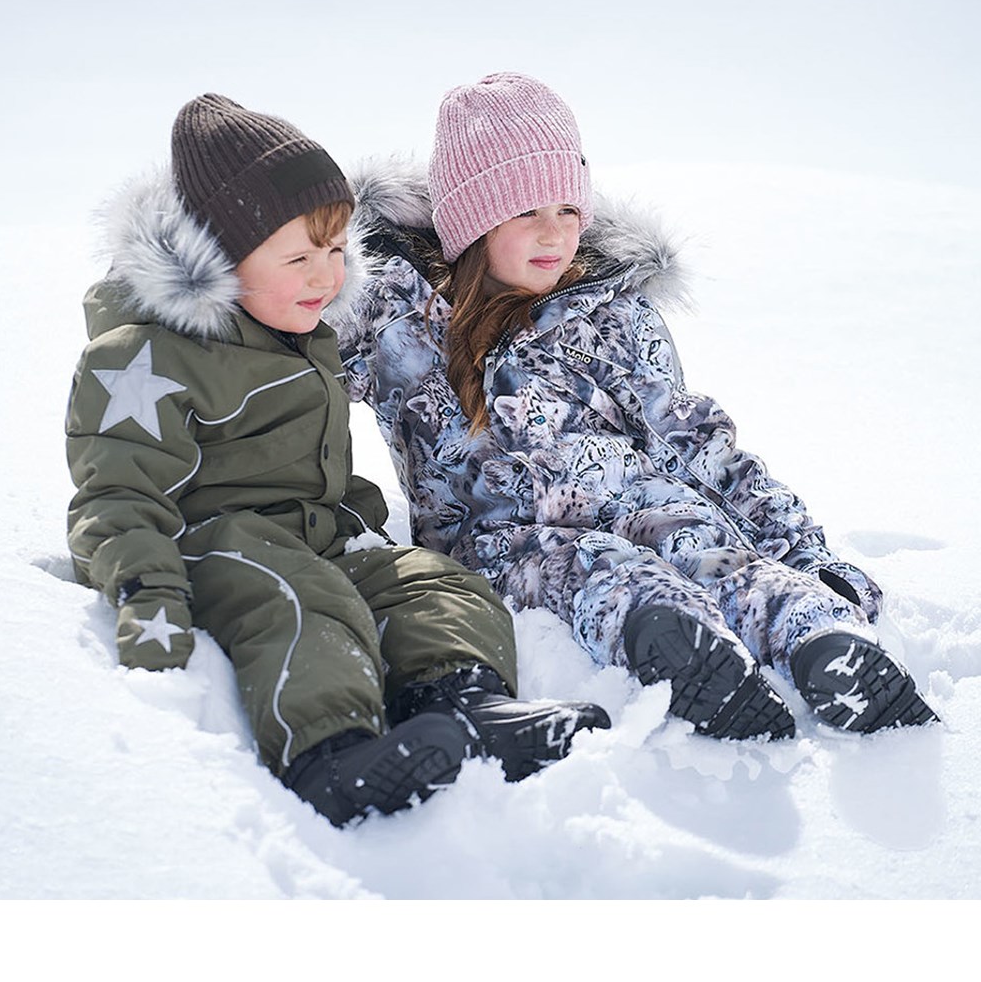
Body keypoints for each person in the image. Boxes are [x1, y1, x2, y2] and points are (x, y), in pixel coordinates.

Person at [334, 71, 938, 739]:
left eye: (568, 211)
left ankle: (822, 640)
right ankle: (678, 647)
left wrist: (801, 554)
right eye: (527, 213)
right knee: (594, 571)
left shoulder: (611, 311)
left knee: (704, 546)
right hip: (502, 540)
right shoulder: (396, 315)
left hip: (640, 499)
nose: (554, 234)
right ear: (472, 222)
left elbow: (696, 444)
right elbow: (292, 364)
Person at [65, 92, 610, 828]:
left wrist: (357, 520)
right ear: (216, 260)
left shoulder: (300, 332)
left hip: (313, 536)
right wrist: (147, 596)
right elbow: (116, 493)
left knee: (433, 583)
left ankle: (464, 702)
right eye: (299, 258)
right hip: (216, 545)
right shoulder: (142, 358)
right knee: (305, 601)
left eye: (334, 251)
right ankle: (330, 752)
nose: (325, 277)